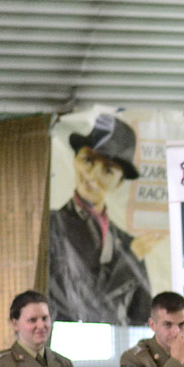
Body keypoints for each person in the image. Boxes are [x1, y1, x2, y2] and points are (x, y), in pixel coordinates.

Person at [48, 113, 153, 326]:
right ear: (75, 160)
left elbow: (142, 316)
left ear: (119, 183)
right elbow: (79, 303)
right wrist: (128, 260)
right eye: (88, 160)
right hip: (63, 348)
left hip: (117, 352)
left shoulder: (126, 242)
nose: (93, 176)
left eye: (107, 170)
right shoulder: (50, 226)